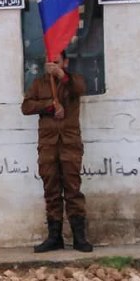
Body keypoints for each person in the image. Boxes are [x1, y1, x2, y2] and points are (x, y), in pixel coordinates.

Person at [21, 50, 93, 253]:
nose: (51, 65)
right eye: (49, 62)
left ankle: (79, 237)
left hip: (69, 144)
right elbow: (26, 106)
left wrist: (62, 76)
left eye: (56, 61)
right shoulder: (39, 84)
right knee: (51, 190)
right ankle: (55, 237)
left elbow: (79, 88)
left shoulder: (73, 81)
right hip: (48, 145)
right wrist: (49, 107)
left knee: (72, 189)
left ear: (65, 62)